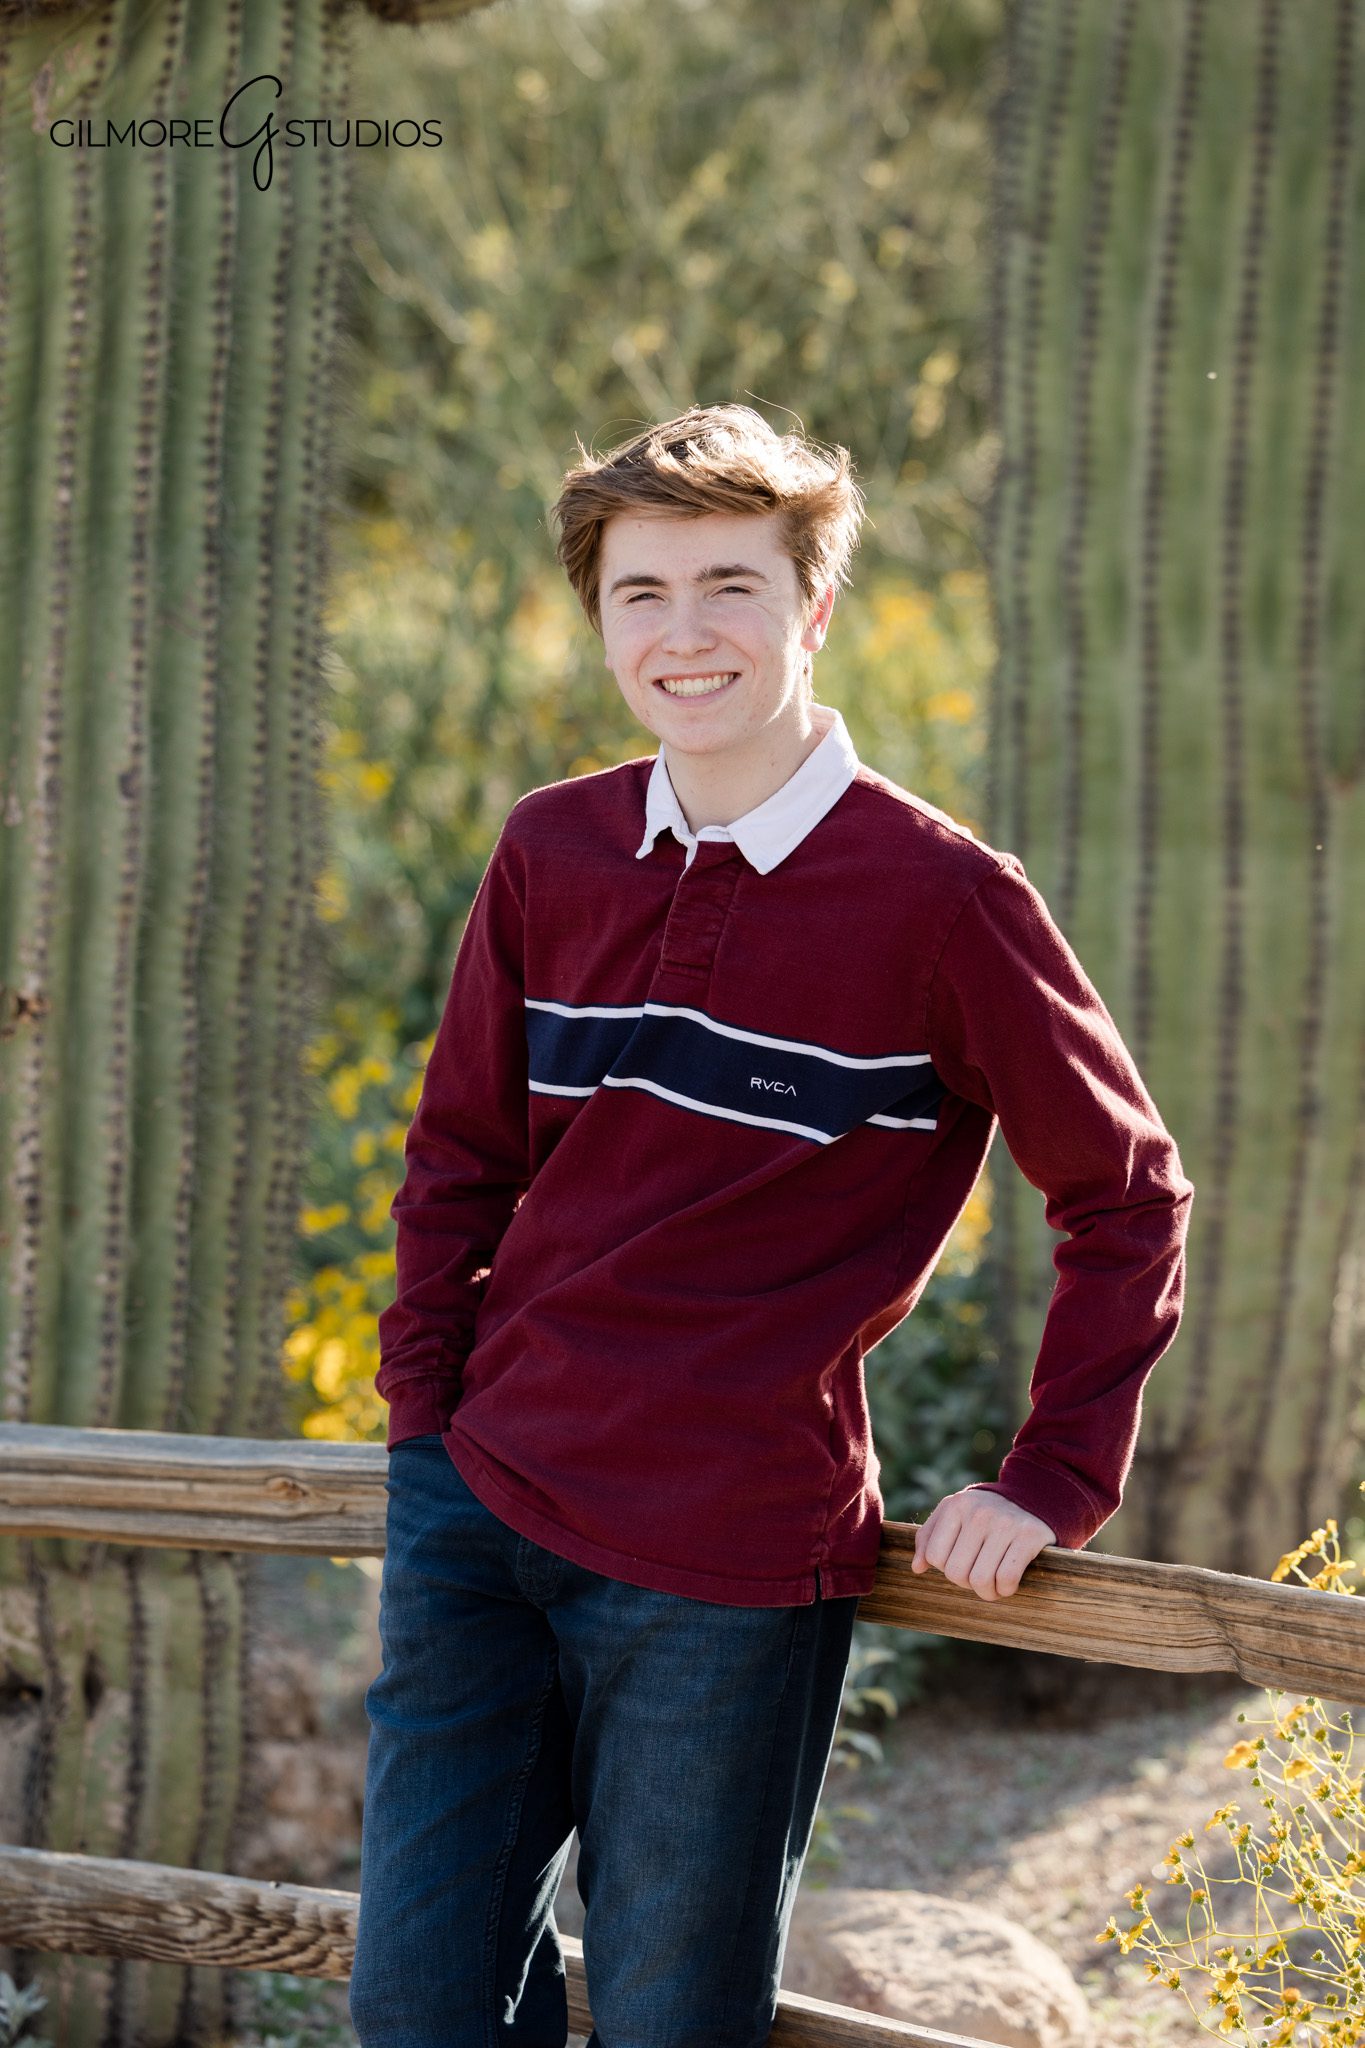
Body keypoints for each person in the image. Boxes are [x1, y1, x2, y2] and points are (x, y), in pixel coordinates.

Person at [348, 403, 1194, 2048]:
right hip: (478, 1518)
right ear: (596, 618)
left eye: (729, 586)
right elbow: (458, 1157)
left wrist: (1048, 1480)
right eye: (640, 593)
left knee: (675, 2022)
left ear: (812, 606)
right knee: (421, 2014)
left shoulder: (942, 898)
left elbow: (1124, 1191)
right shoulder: (552, 848)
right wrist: (423, 1430)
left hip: (726, 1563)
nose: (683, 635)